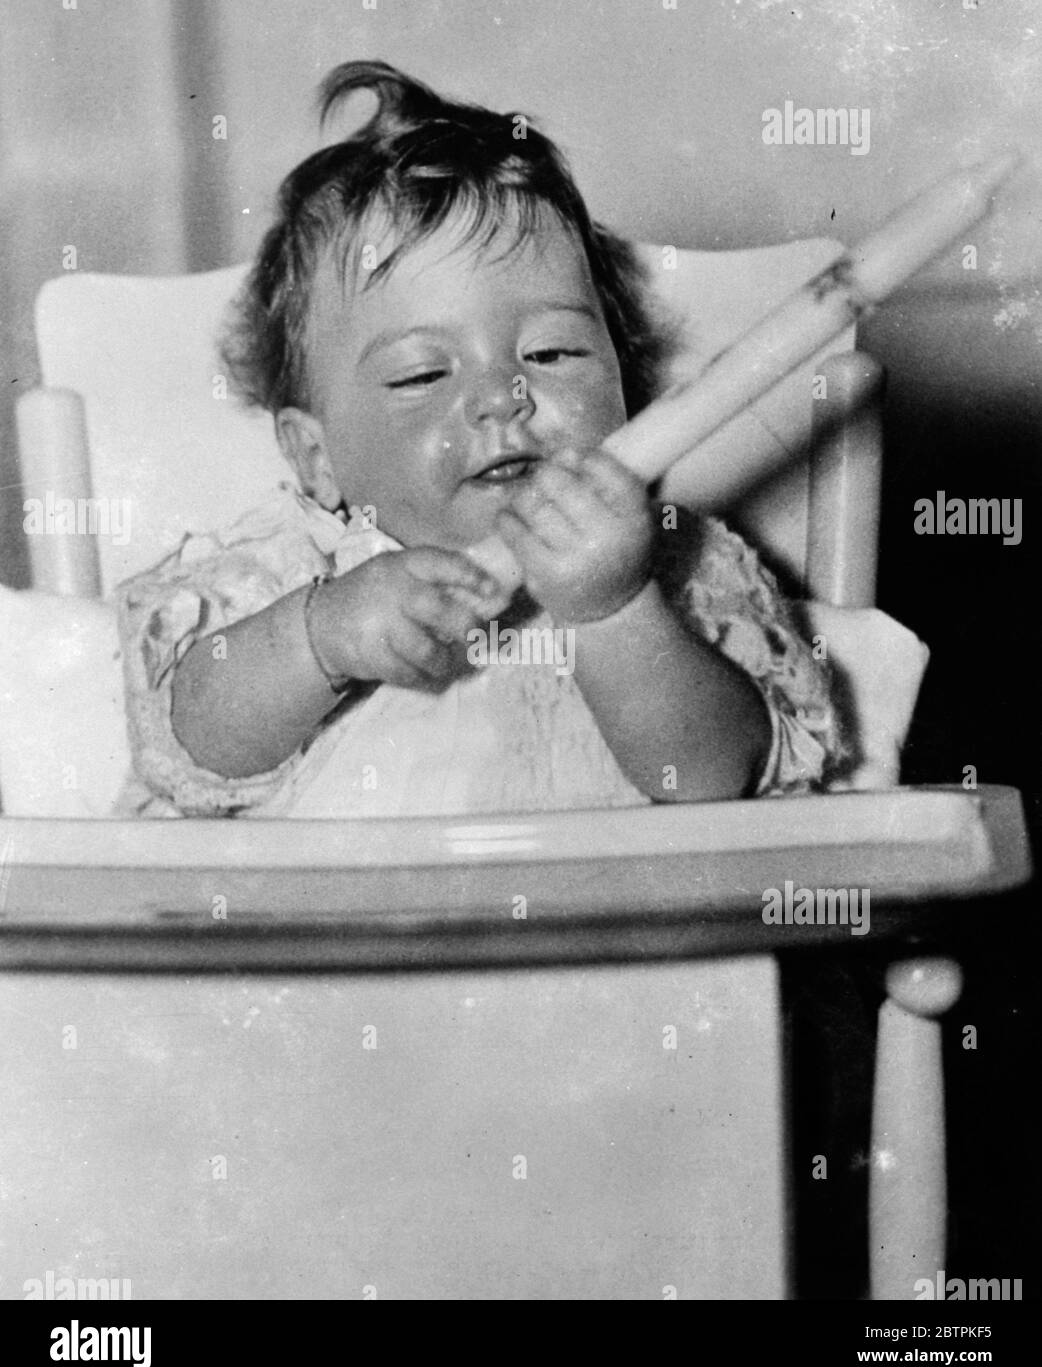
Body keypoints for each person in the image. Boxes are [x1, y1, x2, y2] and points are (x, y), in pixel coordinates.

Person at [116, 60, 844, 819]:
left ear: (627, 385)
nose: (503, 396)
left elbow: (722, 782)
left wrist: (619, 613)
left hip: (616, 936)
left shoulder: (678, 569)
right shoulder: (289, 573)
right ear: (316, 458)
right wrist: (320, 640)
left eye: (551, 354)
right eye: (423, 374)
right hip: (342, 936)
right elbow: (185, 753)